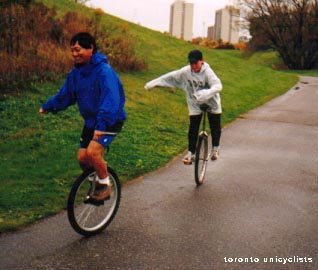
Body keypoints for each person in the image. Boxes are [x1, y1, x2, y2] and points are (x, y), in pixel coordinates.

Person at [39, 32, 126, 201]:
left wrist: (101, 126)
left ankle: (105, 185)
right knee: (82, 158)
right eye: (72, 50)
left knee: (93, 153)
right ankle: (97, 181)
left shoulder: (104, 71)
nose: (74, 54)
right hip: (91, 121)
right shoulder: (76, 74)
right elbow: (66, 95)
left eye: (78, 49)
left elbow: (110, 100)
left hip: (109, 120)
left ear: (91, 48)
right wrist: (48, 106)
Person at [144, 49, 222, 165]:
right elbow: (170, 77)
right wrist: (152, 84)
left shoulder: (207, 72)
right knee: (193, 127)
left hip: (211, 102)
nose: (193, 66)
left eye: (196, 63)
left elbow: (218, 86)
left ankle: (215, 148)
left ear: (202, 61)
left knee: (214, 124)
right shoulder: (186, 72)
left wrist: (205, 93)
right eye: (191, 63)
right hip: (194, 102)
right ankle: (191, 153)